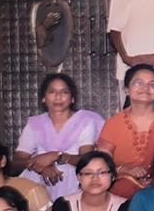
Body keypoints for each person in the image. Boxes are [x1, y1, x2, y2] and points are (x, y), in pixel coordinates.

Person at [13, 73, 103, 201]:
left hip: (75, 187)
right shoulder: (35, 124)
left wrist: (57, 156)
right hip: (38, 188)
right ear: (43, 98)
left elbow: (87, 161)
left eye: (64, 92)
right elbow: (17, 163)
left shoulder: (85, 121)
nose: (58, 96)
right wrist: (41, 167)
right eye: (52, 92)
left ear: (72, 98)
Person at [96, 64, 154, 199]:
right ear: (126, 90)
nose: (145, 88)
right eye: (138, 83)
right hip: (120, 194)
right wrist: (125, 170)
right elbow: (101, 163)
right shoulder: (113, 123)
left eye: (152, 84)